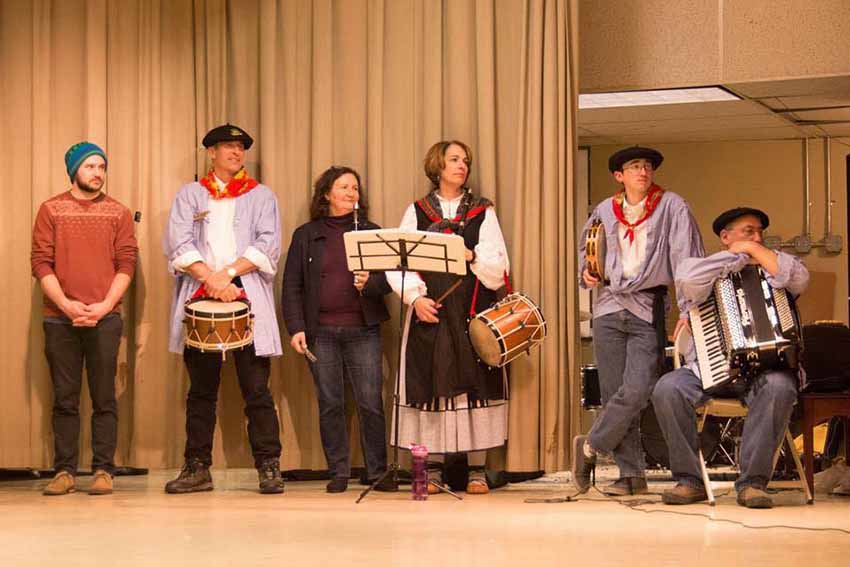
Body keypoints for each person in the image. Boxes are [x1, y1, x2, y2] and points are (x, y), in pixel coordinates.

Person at [652, 207, 806, 508]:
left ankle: (752, 484)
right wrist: (732, 257)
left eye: (760, 232)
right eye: (749, 232)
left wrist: (751, 248)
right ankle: (689, 480)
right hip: (709, 370)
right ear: (725, 237)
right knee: (667, 389)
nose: (758, 238)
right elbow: (689, 282)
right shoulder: (702, 266)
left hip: (764, 373)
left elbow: (799, 280)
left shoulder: (775, 264)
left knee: (780, 387)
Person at [572, 146, 704, 496]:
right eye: (634, 167)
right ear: (620, 176)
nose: (642, 172)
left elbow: (687, 260)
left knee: (638, 389)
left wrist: (690, 309)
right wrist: (586, 273)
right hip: (609, 307)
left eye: (647, 167)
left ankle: (590, 446)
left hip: (647, 305)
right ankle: (631, 475)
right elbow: (586, 252)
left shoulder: (672, 206)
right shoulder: (604, 210)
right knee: (614, 391)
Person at [163, 124, 285, 495]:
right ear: (211, 153)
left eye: (240, 147)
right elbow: (177, 242)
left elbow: (269, 244)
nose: (236, 152)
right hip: (199, 302)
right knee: (201, 391)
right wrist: (211, 279)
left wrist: (229, 274)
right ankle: (196, 466)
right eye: (228, 146)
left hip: (246, 300)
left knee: (257, 391)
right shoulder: (190, 195)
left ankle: (268, 466)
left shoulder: (262, 196)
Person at [387, 140, 510, 495]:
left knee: (476, 385)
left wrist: (470, 254)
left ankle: (476, 470)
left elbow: (497, 266)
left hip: (472, 310)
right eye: (454, 160)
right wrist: (415, 299)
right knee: (430, 382)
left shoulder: (482, 212)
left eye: (465, 161)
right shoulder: (417, 212)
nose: (462, 166)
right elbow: (400, 261)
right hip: (432, 310)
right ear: (437, 166)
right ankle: (433, 470)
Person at [31, 141, 138, 496]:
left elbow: (127, 263)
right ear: (74, 169)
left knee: (105, 396)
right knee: (65, 397)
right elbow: (41, 263)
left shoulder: (119, 213)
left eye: (102, 167)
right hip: (59, 319)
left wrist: (106, 305)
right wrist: (66, 304)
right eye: (91, 166)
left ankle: (103, 470)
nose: (98, 173)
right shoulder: (51, 209)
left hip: (105, 318)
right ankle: (64, 471)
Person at [282, 166, 396, 493]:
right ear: (327, 194)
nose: (351, 193)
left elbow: (389, 281)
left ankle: (376, 471)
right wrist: (296, 328)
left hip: (364, 330)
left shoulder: (373, 232)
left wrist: (370, 283)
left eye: (355, 188)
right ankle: (339, 471)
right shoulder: (305, 235)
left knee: (370, 401)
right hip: (321, 333)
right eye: (344, 187)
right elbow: (292, 287)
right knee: (331, 402)